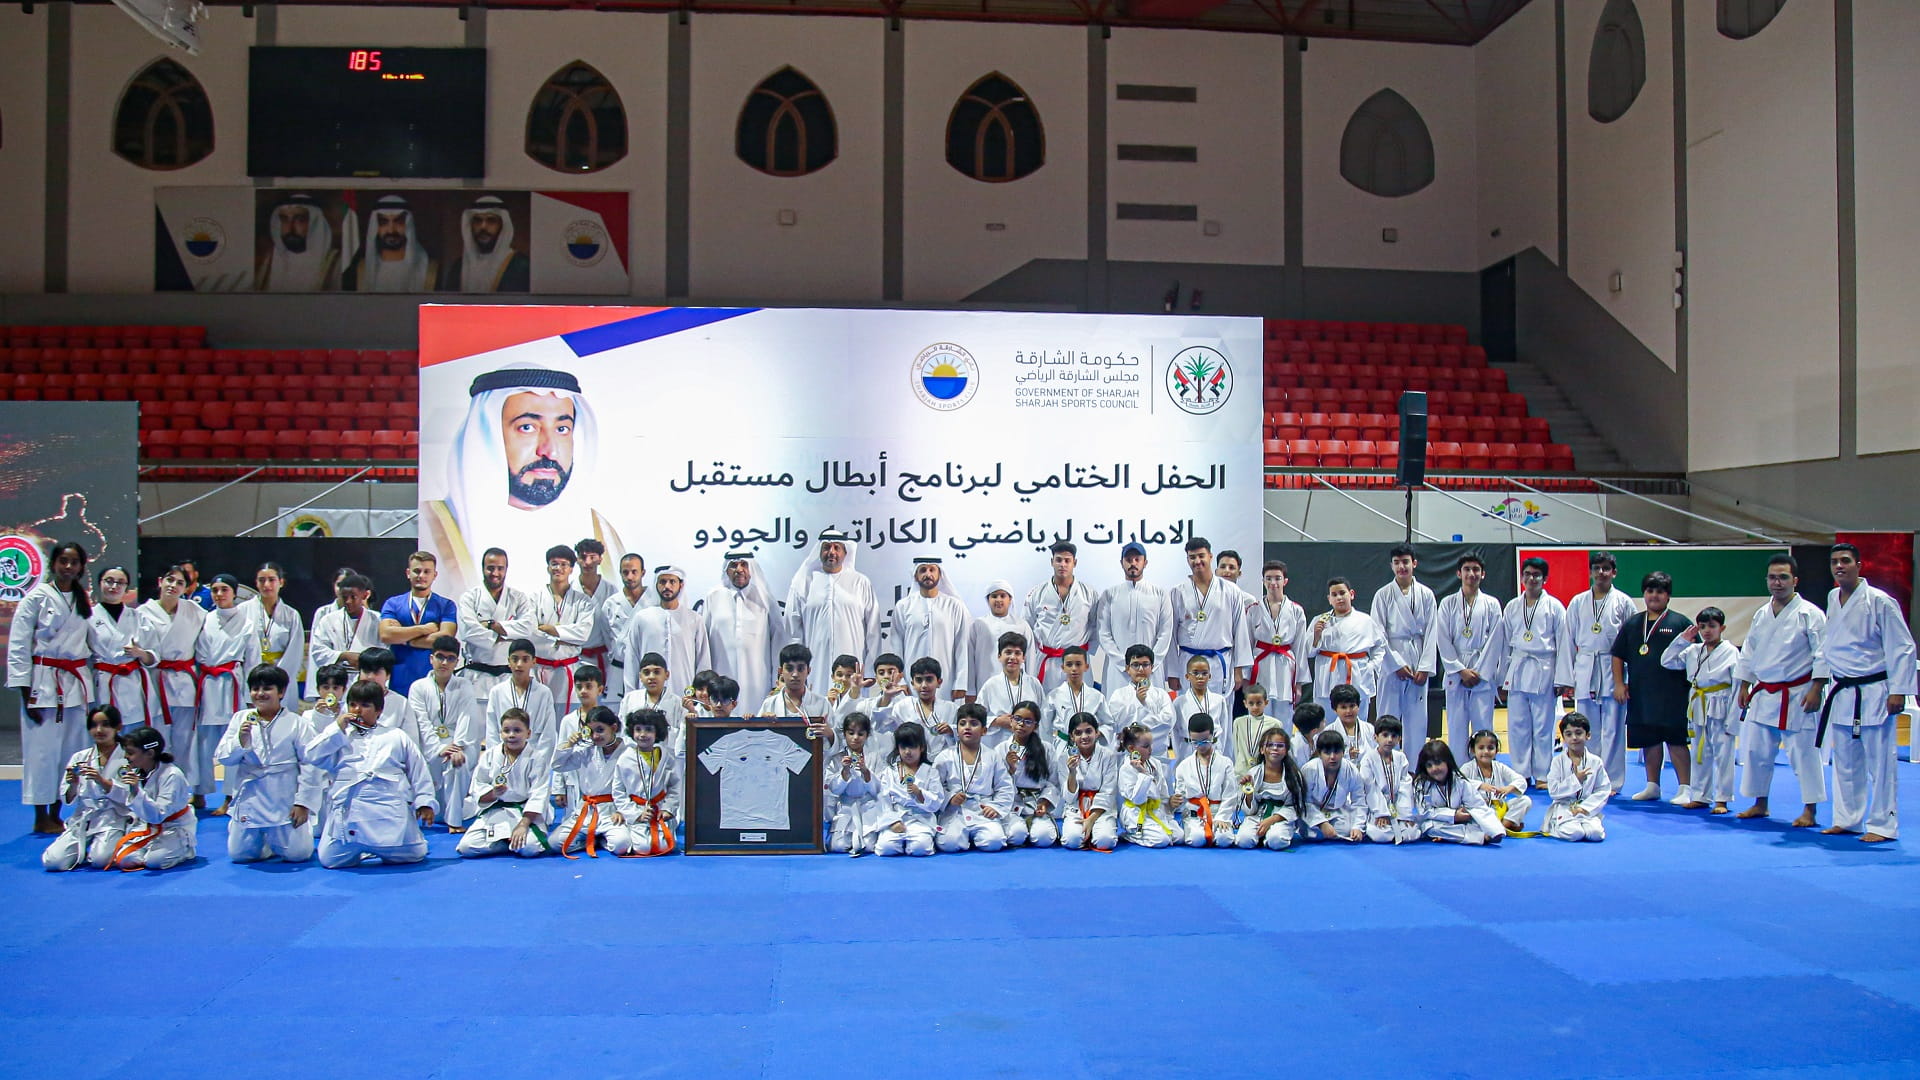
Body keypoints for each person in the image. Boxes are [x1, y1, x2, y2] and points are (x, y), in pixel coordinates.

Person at [424, 366, 628, 598]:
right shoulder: (434, 527)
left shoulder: (600, 532)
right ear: (487, 435)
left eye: (562, 429)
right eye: (527, 428)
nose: (549, 450)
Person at [1816, 543, 1915, 842]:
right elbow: (1830, 644)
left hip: (1874, 690)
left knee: (1881, 763)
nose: (1839, 566)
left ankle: (1884, 826)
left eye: (1845, 561)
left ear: (1860, 565)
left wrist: (1899, 691)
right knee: (1844, 761)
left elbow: (1902, 646)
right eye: (1834, 562)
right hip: (1843, 690)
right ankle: (1847, 819)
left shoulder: (1880, 601)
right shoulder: (1834, 597)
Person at [1733, 554, 1828, 826]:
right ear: (1767, 580)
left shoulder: (1810, 614)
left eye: (1783, 577)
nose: (1777, 582)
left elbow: (1822, 654)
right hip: (1763, 693)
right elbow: (1749, 651)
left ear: (1795, 581)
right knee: (1755, 752)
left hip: (1798, 694)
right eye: (1773, 577)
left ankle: (1810, 810)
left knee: (1804, 753)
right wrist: (1744, 683)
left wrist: (1817, 687)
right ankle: (1759, 803)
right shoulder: (1762, 614)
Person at [7, 541, 95, 831]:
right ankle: (40, 816)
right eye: (63, 561)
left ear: (81, 567)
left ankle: (58, 811)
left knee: (71, 752)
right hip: (43, 683)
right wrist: (24, 691)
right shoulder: (36, 598)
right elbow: (19, 645)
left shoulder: (83, 601)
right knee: (42, 752)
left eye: (74, 562)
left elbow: (94, 644)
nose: (68, 567)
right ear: (54, 564)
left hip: (75, 684)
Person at [216, 664, 316, 864]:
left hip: (283, 797)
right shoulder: (240, 719)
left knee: (298, 855)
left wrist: (303, 802)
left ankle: (293, 834)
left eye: (267, 688)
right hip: (251, 796)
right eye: (255, 688)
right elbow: (224, 758)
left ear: (281, 692)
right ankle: (259, 839)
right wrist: (241, 741)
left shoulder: (298, 723)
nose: (260, 694)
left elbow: (311, 765)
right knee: (240, 855)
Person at [1611, 572, 1693, 803]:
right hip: (1640, 692)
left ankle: (1685, 787)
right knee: (1649, 740)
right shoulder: (1634, 623)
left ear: (1668, 596)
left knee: (1676, 740)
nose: (1654, 596)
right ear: (1644, 594)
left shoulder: (1680, 623)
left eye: (1659, 591)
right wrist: (1619, 683)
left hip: (1673, 693)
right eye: (1650, 591)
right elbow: (1617, 654)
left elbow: (1694, 655)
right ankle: (1652, 785)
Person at [1560, 551, 1638, 794]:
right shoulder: (1578, 602)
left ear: (1614, 572)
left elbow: (1632, 641)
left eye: (1606, 568)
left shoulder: (1624, 602)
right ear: (1591, 572)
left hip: (1613, 667)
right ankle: (1586, 776)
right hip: (1585, 666)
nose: (1601, 573)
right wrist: (1567, 678)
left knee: (1614, 728)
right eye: (1597, 568)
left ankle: (1612, 781)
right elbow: (1567, 639)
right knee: (1585, 727)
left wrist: (1626, 681)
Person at [132, 565, 206, 805]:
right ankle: (155, 789)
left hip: (184, 682)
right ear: (160, 582)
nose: (173, 586)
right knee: (157, 739)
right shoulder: (143, 612)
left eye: (180, 583)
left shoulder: (195, 611)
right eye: (170, 580)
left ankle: (184, 791)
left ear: (186, 588)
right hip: (156, 680)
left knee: (185, 741)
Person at [1663, 608, 1739, 812]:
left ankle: (1722, 799)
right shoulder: (1693, 650)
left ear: (1722, 628)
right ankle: (1701, 795)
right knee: (1699, 751)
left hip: (1721, 703)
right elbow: (1666, 661)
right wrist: (1682, 639)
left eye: (1712, 626)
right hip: (1698, 703)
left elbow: (1738, 685)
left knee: (1723, 753)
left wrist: (1735, 717)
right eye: (1702, 627)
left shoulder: (1731, 651)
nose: (1706, 631)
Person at [786, 531, 880, 698]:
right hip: (815, 663)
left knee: (853, 715)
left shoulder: (860, 582)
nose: (832, 552)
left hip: (853, 662)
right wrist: (797, 667)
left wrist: (871, 670)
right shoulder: (804, 581)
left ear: (845, 553)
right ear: (819, 552)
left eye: (837, 548)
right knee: (817, 707)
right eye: (827, 547)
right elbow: (794, 630)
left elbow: (873, 629)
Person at [1501, 557, 1568, 787]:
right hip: (1519, 668)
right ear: (1521, 577)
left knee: (1543, 726)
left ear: (1545, 579)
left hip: (1544, 669)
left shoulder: (1555, 607)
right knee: (1518, 725)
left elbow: (1564, 645)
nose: (1531, 578)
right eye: (1527, 574)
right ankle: (1521, 772)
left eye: (1536, 575)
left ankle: (1542, 773)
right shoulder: (1511, 607)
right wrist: (1503, 678)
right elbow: (1504, 646)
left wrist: (1562, 678)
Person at [193, 574, 256, 813]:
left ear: (234, 592)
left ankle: (229, 797)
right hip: (208, 684)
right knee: (203, 743)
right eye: (216, 590)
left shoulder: (246, 622)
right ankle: (199, 792)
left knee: (233, 743)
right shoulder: (205, 619)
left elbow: (252, 660)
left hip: (233, 686)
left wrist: (252, 697)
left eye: (224, 590)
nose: (219, 594)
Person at [1436, 553, 1507, 764]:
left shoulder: (1492, 604)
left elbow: (1496, 641)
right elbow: (1442, 639)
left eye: (1476, 570)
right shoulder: (1447, 604)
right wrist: (1460, 670)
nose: (1471, 574)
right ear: (1459, 573)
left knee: (1483, 724)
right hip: (1456, 672)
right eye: (1467, 569)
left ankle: (1484, 768)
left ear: (1483, 574)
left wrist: (1480, 672)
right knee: (1456, 726)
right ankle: (1459, 769)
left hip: (1482, 673)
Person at [43, 705, 132, 871]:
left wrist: (101, 781)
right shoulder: (80, 757)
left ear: (118, 727)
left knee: (100, 860)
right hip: (84, 816)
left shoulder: (128, 757)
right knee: (53, 861)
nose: (99, 730)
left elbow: (131, 796)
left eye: (105, 725)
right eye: (93, 725)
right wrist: (74, 784)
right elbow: (68, 798)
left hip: (114, 815)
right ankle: (82, 848)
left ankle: (123, 838)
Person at [1370, 545, 1440, 747]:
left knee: (1417, 719)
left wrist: (1426, 667)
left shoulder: (1426, 594)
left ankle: (1414, 766)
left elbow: (1431, 632)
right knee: (1388, 714)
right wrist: (1395, 664)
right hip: (1391, 659)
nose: (1402, 566)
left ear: (1414, 564)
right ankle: (1385, 761)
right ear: (1391, 566)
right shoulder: (1383, 595)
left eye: (1405, 562)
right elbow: (1378, 633)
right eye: (1397, 562)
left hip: (1417, 657)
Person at [407, 636, 479, 831]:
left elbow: (467, 719)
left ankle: (454, 821)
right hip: (429, 745)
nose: (445, 663)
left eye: (450, 658)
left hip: (459, 743)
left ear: (457, 662)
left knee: (459, 761)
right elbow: (421, 723)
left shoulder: (464, 685)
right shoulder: (418, 687)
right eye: (440, 657)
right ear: (431, 658)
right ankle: (429, 806)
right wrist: (439, 749)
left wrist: (458, 746)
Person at [458, 707, 551, 858]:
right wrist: (493, 793)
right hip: (498, 810)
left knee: (530, 849)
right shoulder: (491, 755)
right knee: (467, 847)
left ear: (528, 733)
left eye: (517, 730)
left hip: (526, 812)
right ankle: (506, 843)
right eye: (506, 730)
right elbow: (478, 785)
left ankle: (511, 840)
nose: (511, 735)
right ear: (501, 733)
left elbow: (539, 794)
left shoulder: (537, 758)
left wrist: (523, 825)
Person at [1167, 538, 1251, 697]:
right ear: (1187, 560)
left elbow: (1240, 631)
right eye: (1192, 557)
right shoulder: (1177, 592)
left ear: (1210, 556)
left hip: (1220, 662)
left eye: (1201, 556)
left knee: (1220, 714)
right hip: (1188, 663)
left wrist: (1239, 670)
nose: (1197, 561)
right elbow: (1171, 635)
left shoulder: (1231, 590)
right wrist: (1173, 672)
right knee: (1189, 713)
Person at [105, 725, 195, 871]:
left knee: (155, 862)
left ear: (150, 753)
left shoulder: (172, 775)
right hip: (147, 826)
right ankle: (149, 851)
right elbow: (123, 797)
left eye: (130, 753)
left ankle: (185, 849)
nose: (126, 757)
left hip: (173, 828)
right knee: (125, 860)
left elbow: (158, 815)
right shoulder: (137, 771)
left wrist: (136, 790)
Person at [1093, 541, 1173, 696]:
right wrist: (1124, 664)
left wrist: (1148, 664)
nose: (1133, 563)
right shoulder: (1110, 594)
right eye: (1129, 560)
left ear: (1145, 562)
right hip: (1118, 670)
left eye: (1137, 559)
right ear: (1122, 563)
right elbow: (1103, 633)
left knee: (1151, 712)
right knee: (1118, 713)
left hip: (1151, 670)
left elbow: (1165, 632)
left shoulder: (1160, 594)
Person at [885, 557, 973, 699]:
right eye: (923, 570)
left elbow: (962, 647)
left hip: (946, 681)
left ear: (940, 574)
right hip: (911, 681)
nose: (928, 574)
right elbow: (896, 648)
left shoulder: (954, 606)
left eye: (932, 570)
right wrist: (900, 680)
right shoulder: (903, 606)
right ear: (916, 575)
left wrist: (960, 684)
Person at [933, 703, 1013, 852]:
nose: (967, 727)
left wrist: (995, 807)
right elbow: (934, 786)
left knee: (995, 842)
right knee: (949, 844)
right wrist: (949, 797)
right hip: (955, 811)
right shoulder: (944, 756)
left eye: (974, 723)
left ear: (984, 730)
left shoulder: (993, 756)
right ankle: (966, 837)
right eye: (962, 723)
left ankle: (976, 835)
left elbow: (1004, 786)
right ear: (957, 729)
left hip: (983, 810)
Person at [703, 551, 778, 711]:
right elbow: (704, 643)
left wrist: (776, 683)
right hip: (721, 676)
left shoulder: (765, 598)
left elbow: (778, 640)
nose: (739, 569)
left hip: (757, 679)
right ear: (726, 570)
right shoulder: (713, 597)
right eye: (733, 565)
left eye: (744, 564)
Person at [623, 565, 709, 704]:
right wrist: (630, 697)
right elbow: (631, 659)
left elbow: (703, 661)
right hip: (647, 695)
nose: (667, 586)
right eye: (662, 582)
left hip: (685, 694)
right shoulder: (642, 618)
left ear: (681, 585)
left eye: (672, 582)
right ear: (656, 585)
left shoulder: (694, 619)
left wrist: (701, 695)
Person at [549, 705, 627, 858]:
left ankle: (602, 839)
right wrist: (569, 745)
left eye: (600, 730)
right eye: (591, 731)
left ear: (613, 727)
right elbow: (557, 765)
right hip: (587, 811)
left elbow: (634, 788)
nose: (595, 736)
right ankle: (592, 839)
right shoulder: (586, 751)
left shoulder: (627, 753)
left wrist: (622, 811)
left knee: (621, 845)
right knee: (554, 843)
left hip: (613, 811)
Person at [456, 547, 535, 696]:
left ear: (506, 569)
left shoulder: (518, 597)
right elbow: (468, 631)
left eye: (500, 568)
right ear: (483, 568)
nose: (495, 573)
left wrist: (493, 626)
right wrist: (507, 635)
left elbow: (528, 628)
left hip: (508, 673)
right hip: (476, 674)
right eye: (490, 568)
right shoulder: (469, 597)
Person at [378, 551, 458, 697]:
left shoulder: (446, 605)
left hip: (433, 677)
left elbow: (444, 640)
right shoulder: (393, 603)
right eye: (417, 571)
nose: (421, 575)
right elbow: (385, 635)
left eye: (427, 571)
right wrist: (425, 629)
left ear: (435, 575)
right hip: (400, 677)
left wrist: (405, 639)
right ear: (408, 573)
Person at [1307, 577, 1386, 721]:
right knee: (1327, 721)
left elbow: (1380, 646)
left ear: (1351, 594)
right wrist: (1316, 635)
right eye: (1334, 595)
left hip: (1357, 673)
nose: (1339, 598)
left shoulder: (1365, 620)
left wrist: (1372, 666)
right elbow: (1308, 652)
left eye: (1342, 593)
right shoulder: (1320, 621)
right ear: (1329, 599)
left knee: (1358, 720)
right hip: (1328, 677)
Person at [1024, 541, 1097, 692]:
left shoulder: (1089, 594)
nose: (1062, 564)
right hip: (1048, 661)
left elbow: (1096, 626)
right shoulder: (1036, 593)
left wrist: (1086, 651)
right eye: (1058, 560)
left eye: (1067, 560)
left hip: (1077, 661)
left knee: (1081, 706)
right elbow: (1027, 627)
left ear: (1074, 563)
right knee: (1046, 707)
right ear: (1052, 562)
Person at [1404, 740, 1504, 845]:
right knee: (1429, 827)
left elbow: (1478, 806)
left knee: (1483, 815)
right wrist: (1453, 815)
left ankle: (1483, 833)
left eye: (1438, 763)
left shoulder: (1460, 781)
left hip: (1463, 820)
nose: (1434, 769)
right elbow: (1425, 812)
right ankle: (1481, 837)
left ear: (1447, 762)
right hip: (1437, 822)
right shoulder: (1421, 785)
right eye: (1429, 765)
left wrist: (1495, 830)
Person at [89, 566, 151, 730]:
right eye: (109, 581)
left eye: (120, 582)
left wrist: (140, 653)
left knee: (132, 732)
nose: (114, 586)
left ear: (126, 587)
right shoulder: (88, 616)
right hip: (103, 680)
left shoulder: (138, 616)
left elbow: (153, 655)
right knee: (103, 728)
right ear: (100, 583)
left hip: (130, 681)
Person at [614, 708, 680, 857]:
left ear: (658, 732)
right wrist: (635, 814)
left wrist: (669, 808)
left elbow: (674, 785)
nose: (643, 735)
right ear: (632, 732)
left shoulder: (666, 755)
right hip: (637, 808)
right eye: (638, 730)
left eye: (648, 730)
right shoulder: (625, 758)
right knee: (642, 848)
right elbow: (618, 791)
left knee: (665, 845)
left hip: (660, 808)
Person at [874, 722, 944, 857]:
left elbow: (937, 800)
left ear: (922, 748)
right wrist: (892, 821)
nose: (907, 752)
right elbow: (882, 801)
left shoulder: (930, 772)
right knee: (886, 848)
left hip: (921, 818)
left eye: (912, 746)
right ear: (897, 749)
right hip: (896, 817)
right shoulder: (890, 771)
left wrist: (919, 793)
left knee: (920, 848)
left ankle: (913, 841)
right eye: (903, 747)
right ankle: (900, 841)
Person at [344, 193, 439, 292]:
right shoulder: (360, 270)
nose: (391, 230)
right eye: (384, 222)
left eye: (399, 222)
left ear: (408, 225)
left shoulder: (429, 270)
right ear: (375, 227)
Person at [238, 562, 304, 698]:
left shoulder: (291, 615)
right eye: (262, 580)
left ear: (281, 582)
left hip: (281, 676)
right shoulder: (243, 611)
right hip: (250, 673)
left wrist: (277, 678)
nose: (266, 585)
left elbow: (295, 652)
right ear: (256, 583)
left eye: (272, 580)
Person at [1235, 725, 1308, 850]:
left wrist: (1273, 819)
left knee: (1276, 841)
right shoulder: (1254, 773)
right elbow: (1249, 811)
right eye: (1270, 745)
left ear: (1286, 750)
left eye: (1280, 746)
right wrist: (1249, 794)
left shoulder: (1293, 776)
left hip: (1281, 817)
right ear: (1262, 750)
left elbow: (1295, 806)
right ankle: (1260, 836)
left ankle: (1268, 837)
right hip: (1257, 815)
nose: (1275, 748)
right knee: (1244, 841)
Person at [1247, 560, 1307, 709]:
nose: (1273, 582)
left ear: (1285, 581)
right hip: (1261, 662)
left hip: (1285, 666)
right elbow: (1246, 645)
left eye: (1277, 578)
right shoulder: (1253, 609)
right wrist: (1245, 678)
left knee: (1284, 713)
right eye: (1268, 578)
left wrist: (1298, 683)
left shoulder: (1296, 610)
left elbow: (1300, 648)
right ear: (1263, 581)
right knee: (1259, 710)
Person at [1173, 713, 1237, 846]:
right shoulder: (1184, 766)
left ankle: (1219, 826)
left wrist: (1222, 817)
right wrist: (1174, 802)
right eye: (1195, 742)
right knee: (1197, 839)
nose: (1200, 746)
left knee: (1224, 840)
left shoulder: (1225, 763)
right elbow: (1181, 797)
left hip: (1218, 811)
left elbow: (1230, 795)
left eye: (1205, 741)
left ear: (1213, 736)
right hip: (1195, 813)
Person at [485, 639, 559, 754]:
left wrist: (539, 762)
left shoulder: (544, 693)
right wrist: (497, 757)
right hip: (503, 753)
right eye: (515, 659)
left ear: (533, 662)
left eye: (525, 659)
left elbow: (548, 734)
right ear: (509, 661)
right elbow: (492, 731)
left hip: (535, 754)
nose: (519, 664)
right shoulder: (497, 692)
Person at [255, 193, 341, 291]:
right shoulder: (269, 262)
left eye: (299, 220)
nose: (290, 228)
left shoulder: (335, 263)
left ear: (315, 224)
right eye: (284, 219)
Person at [1544, 712, 1609, 841]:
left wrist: (1584, 808)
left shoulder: (1595, 761)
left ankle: (1583, 821)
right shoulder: (1558, 761)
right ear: (1563, 737)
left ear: (1588, 735)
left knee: (1596, 834)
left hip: (1586, 807)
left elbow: (1603, 790)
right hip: (1564, 806)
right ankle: (1555, 825)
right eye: (1568, 734)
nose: (1574, 737)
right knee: (1575, 833)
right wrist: (1576, 780)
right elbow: (1553, 791)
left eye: (1578, 733)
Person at [968, 580, 1035, 705]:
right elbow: (970, 659)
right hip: (984, 682)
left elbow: (1030, 658)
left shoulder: (1021, 625)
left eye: (1003, 596)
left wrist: (1030, 686)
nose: (998, 600)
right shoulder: (978, 624)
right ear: (988, 600)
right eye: (994, 596)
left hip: (1017, 685)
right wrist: (971, 691)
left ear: (1010, 599)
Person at [1001, 703, 1058, 848]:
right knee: (1015, 836)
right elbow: (996, 784)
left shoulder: (1046, 749)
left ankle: (1032, 827)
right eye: (1017, 719)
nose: (1021, 724)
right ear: (1011, 720)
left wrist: (1044, 803)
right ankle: (1023, 829)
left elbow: (1053, 782)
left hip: (1036, 803)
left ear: (1036, 726)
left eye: (1027, 721)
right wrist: (1011, 770)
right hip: (1011, 804)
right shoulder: (1000, 749)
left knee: (1044, 838)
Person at [977, 632, 1044, 753]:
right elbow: (977, 718)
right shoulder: (990, 685)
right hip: (998, 744)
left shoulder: (1034, 684)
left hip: (1029, 745)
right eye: (1008, 652)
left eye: (1017, 653)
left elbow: (1043, 716)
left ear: (1023, 657)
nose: (1012, 657)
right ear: (999, 656)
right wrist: (997, 721)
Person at [1059, 713, 1119, 850]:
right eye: (1078, 733)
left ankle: (1095, 829)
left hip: (1101, 808)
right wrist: (1072, 772)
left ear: (1097, 733)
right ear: (1072, 736)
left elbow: (1108, 792)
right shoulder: (1064, 757)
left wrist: (1091, 819)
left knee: (1105, 841)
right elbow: (1068, 797)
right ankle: (1086, 833)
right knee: (1072, 840)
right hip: (1076, 807)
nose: (1084, 736)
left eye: (1088, 731)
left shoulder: (1108, 756)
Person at [448, 194, 530, 293]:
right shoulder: (458, 267)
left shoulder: (521, 266)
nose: (483, 227)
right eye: (477, 221)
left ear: (502, 226)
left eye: (491, 220)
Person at [1106, 645, 1174, 755]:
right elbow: (1116, 726)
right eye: (1135, 665)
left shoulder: (1161, 694)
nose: (1141, 669)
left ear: (1152, 667)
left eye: (1145, 664)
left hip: (1157, 754)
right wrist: (1138, 703)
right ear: (1128, 669)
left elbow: (1167, 723)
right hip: (1127, 756)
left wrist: (1133, 729)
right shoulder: (1118, 695)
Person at [571, 539, 619, 694]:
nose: (587, 562)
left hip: (605, 658)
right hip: (577, 657)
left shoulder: (611, 590)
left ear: (600, 559)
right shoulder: (570, 589)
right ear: (576, 559)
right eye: (583, 557)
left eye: (592, 557)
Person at [1362, 716, 1421, 844]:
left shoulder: (1401, 757)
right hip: (1376, 806)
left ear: (1399, 739)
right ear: (1375, 737)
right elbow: (1370, 788)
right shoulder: (1368, 759)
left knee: (1411, 833)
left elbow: (1405, 787)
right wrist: (1381, 813)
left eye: (1394, 736)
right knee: (1379, 835)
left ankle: (1399, 824)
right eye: (1385, 735)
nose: (1389, 740)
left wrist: (1405, 814)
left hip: (1397, 805)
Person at [1303, 728, 1369, 842]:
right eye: (1327, 753)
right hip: (1313, 812)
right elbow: (1304, 802)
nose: (1332, 757)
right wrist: (1322, 823)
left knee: (1347, 831)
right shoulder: (1309, 769)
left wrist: (1357, 827)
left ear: (1343, 752)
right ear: (1319, 753)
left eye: (1337, 752)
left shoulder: (1351, 770)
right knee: (1310, 832)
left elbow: (1359, 801)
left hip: (1336, 812)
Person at [1116, 722, 1175, 848]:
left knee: (1179, 836)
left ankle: (1156, 828)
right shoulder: (1126, 769)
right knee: (1162, 840)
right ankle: (1131, 835)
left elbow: (1163, 793)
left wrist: (1170, 804)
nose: (1150, 749)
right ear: (1132, 749)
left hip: (1155, 811)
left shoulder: (1155, 763)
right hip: (1136, 815)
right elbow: (1138, 800)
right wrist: (1143, 774)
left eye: (1151, 745)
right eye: (1146, 746)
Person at [827, 712, 879, 855]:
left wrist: (866, 772)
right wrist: (844, 771)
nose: (855, 738)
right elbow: (834, 790)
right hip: (846, 807)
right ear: (844, 734)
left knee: (869, 846)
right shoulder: (837, 758)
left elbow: (879, 790)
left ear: (867, 735)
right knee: (838, 846)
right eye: (851, 733)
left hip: (868, 806)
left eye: (860, 734)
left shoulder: (874, 757)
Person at [887, 656, 957, 761]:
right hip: (911, 762)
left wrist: (951, 731)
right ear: (912, 684)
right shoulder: (902, 706)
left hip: (943, 763)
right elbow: (882, 727)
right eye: (919, 680)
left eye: (929, 679)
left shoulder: (952, 709)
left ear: (939, 682)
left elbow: (962, 740)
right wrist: (886, 696)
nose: (924, 685)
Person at [310, 572, 379, 677]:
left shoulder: (377, 619)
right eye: (344, 597)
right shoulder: (328, 620)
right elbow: (318, 651)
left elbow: (384, 651)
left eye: (353, 597)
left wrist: (364, 660)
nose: (348, 601)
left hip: (368, 678)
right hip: (336, 680)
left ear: (364, 595)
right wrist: (343, 655)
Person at [1463, 730, 1532, 834]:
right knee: (1467, 813)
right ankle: (1507, 827)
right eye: (1481, 748)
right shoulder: (1468, 768)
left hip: (1499, 808)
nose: (1486, 752)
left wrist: (1509, 788)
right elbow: (1458, 782)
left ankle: (1503, 826)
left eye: (1490, 748)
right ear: (1473, 750)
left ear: (1497, 750)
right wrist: (1480, 785)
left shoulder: (1499, 767)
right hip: (1479, 810)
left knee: (1525, 801)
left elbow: (1521, 780)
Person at [1044, 645, 1109, 745]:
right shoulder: (1053, 696)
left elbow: (1109, 723)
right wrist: (1049, 749)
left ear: (1086, 667)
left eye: (1078, 664)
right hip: (1062, 746)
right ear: (1063, 668)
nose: (1074, 669)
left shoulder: (1097, 696)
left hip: (1090, 745)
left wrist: (1098, 733)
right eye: (1069, 665)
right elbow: (1045, 727)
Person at [1172, 654, 1231, 765]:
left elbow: (1224, 729)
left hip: (1213, 748)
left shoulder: (1219, 700)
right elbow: (1175, 733)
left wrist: (1220, 750)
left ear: (1210, 676)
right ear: (1187, 676)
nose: (1200, 677)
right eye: (1195, 673)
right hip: (1188, 749)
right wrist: (1179, 754)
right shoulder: (1179, 702)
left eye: (1204, 673)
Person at [1231, 683, 1282, 774]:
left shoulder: (1274, 724)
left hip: (1264, 769)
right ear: (1245, 703)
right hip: (1242, 771)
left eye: (1259, 703)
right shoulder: (1238, 722)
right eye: (1251, 703)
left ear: (1266, 703)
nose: (1255, 707)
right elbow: (1236, 748)